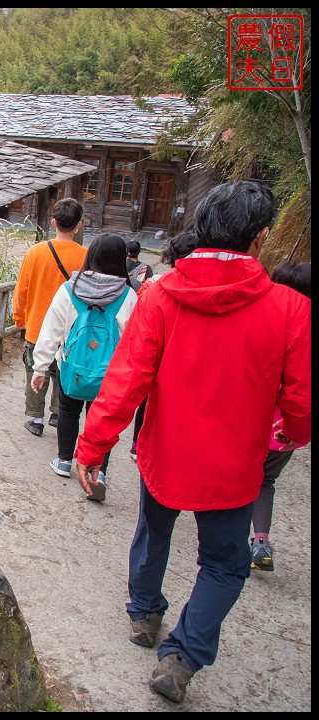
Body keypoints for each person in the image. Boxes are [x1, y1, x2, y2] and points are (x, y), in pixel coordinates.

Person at [73, 180, 311, 704]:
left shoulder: (160, 297)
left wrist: (92, 445)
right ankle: (184, 654)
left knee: (153, 531)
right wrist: (293, 433)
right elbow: (301, 400)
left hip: (166, 454)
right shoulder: (291, 310)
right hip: (235, 467)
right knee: (225, 564)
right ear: (261, 237)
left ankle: (144, 614)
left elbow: (127, 379)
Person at [30, 233, 137, 501]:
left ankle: (64, 461)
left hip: (72, 369)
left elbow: (51, 331)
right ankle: (98, 473)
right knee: (102, 419)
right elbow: (134, 339)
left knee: (68, 410)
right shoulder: (128, 295)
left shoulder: (69, 289)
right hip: (110, 375)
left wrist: (40, 367)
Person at [250, 261, 311, 571]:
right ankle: (260, 540)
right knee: (265, 482)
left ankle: (229, 541)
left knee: (239, 480)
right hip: (285, 433)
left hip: (252, 421)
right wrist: (298, 431)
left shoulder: (266, 321)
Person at [12, 197, 88, 437]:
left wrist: (19, 318)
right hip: (72, 329)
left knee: (36, 370)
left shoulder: (35, 252)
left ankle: (36, 418)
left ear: (53, 222)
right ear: (79, 225)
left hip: (37, 325)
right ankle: (58, 412)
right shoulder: (86, 256)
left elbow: (21, 288)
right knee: (63, 371)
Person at [129, 232, 199, 461]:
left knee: (148, 401)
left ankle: (137, 444)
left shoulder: (154, 284)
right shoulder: (207, 290)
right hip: (186, 358)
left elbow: (137, 315)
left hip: (155, 352)